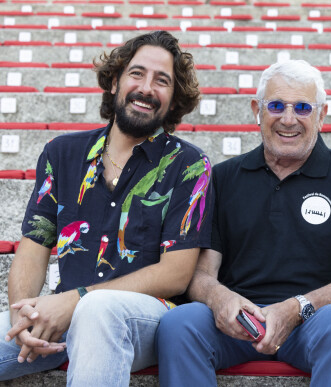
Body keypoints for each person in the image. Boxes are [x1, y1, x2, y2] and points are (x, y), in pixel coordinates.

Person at [0, 30, 213, 386]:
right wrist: (25, 314)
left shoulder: (190, 165)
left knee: (96, 311)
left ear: (173, 98)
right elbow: (33, 247)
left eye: (162, 81)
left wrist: (76, 300)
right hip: (61, 315)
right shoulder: (61, 153)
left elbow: (176, 274)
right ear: (114, 81)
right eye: (137, 73)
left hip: (146, 320)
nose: (147, 88)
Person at [156, 59, 331, 387]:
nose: (288, 119)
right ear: (257, 109)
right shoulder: (223, 177)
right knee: (180, 323)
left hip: (313, 319)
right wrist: (221, 299)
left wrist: (297, 307)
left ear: (322, 114)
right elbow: (201, 274)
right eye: (276, 106)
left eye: (303, 107)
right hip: (237, 322)